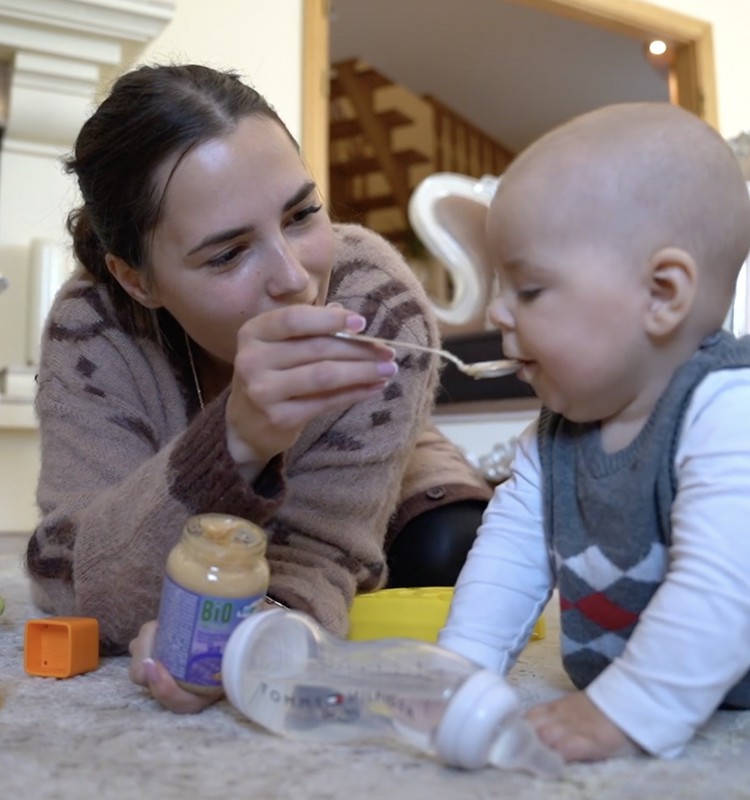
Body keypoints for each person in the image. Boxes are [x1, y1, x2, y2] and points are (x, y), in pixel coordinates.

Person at [25, 63, 491, 711]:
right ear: (136, 280)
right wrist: (233, 443)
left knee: (453, 552)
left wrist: (243, 643)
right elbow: (66, 571)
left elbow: (325, 558)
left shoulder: (377, 305)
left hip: (394, 472)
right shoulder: (90, 327)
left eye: (302, 214)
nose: (295, 277)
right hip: (180, 493)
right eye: (226, 254)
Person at [439, 101, 750, 764]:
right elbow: (506, 562)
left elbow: (726, 586)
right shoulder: (551, 439)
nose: (495, 310)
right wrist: (457, 671)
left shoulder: (727, 412)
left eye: (528, 288)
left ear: (662, 295)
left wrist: (626, 710)